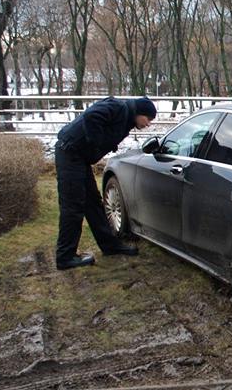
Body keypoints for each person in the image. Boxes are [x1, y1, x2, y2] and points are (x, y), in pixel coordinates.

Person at [54, 96, 158, 270]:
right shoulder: (118, 107)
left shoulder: (126, 118)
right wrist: (98, 144)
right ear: (139, 113)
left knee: (93, 204)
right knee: (73, 206)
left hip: (79, 158)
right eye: (148, 119)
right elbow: (91, 117)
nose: (148, 124)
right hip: (70, 153)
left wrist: (105, 145)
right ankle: (65, 257)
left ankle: (110, 246)